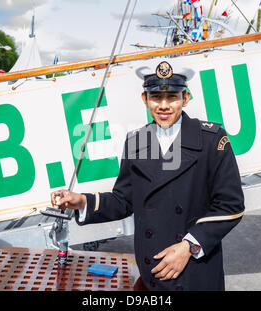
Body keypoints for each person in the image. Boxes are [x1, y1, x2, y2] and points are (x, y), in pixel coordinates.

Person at [50, 61, 245, 291]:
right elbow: (124, 200)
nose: (164, 106)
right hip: (152, 271)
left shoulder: (212, 140)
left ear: (186, 98)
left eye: (172, 97)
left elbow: (231, 205)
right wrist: (82, 201)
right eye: (156, 97)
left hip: (195, 270)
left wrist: (188, 247)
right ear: (145, 99)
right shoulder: (136, 141)